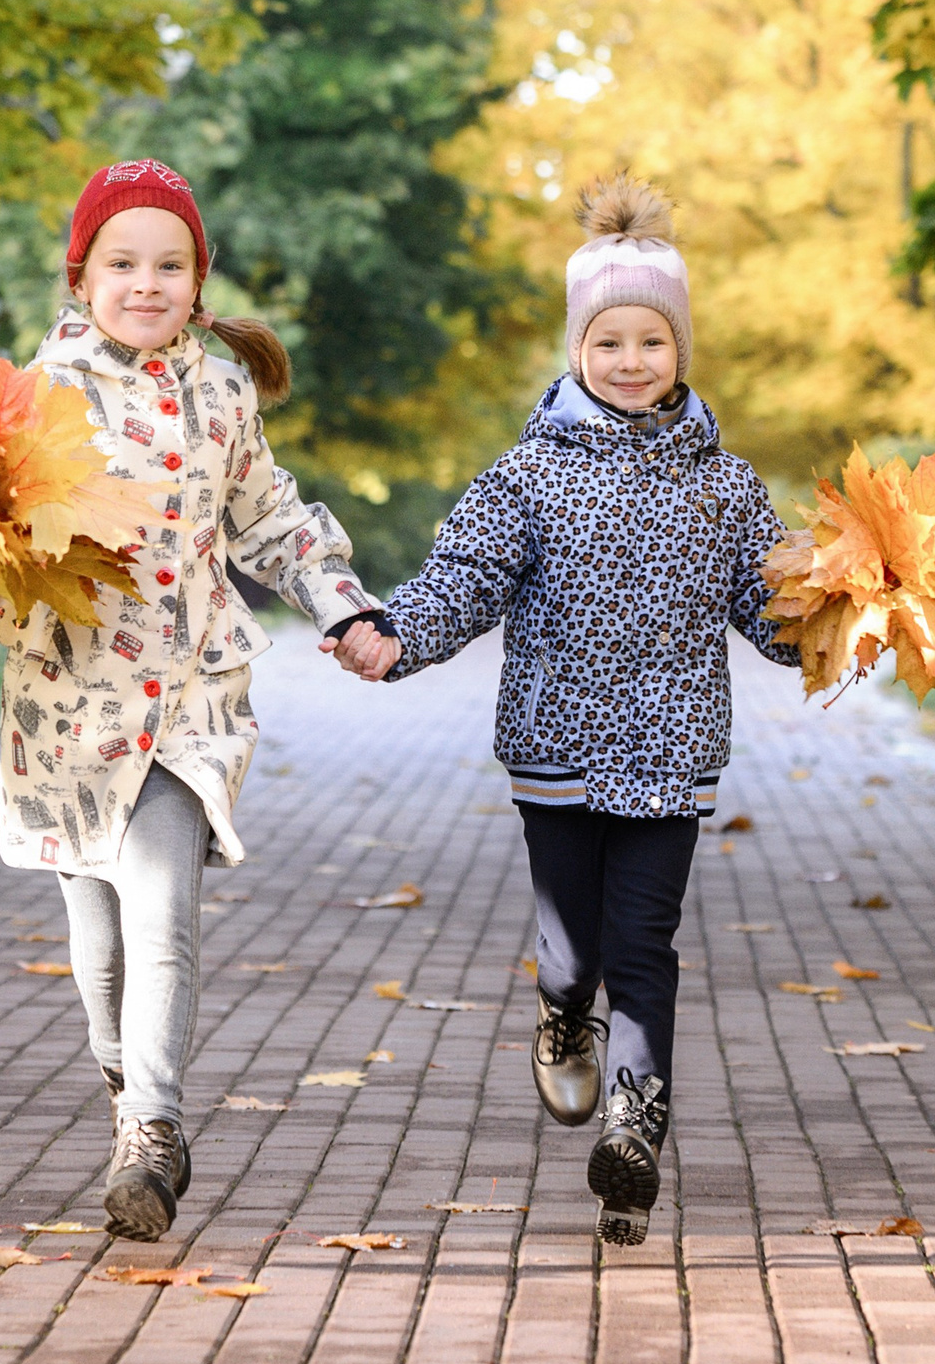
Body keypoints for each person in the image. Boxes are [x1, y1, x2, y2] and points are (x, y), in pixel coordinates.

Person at [324, 174, 799, 1245]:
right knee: (573, 954)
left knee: (644, 946)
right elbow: (465, 577)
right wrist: (394, 635)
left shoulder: (726, 485)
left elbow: (767, 611)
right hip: (558, 750)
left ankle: (633, 1133)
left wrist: (842, 622)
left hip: (671, 754)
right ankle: (558, 1014)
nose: (631, 361)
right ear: (577, 350)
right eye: (608, 342)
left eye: (651, 341)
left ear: (680, 350)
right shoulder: (526, 476)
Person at [6, 157, 383, 1241]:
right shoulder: (40, 394)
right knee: (101, 951)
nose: (146, 282)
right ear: (82, 277)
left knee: (162, 912)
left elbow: (270, 518)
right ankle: (127, 1081)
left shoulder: (221, 391)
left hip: (185, 695)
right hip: (68, 705)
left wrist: (343, 607)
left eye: (169, 264)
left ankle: (153, 1131)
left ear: (197, 277)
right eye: (122, 262)